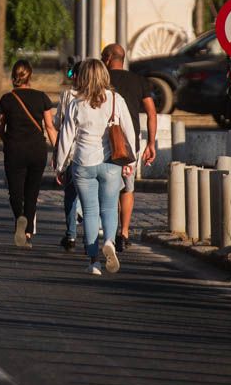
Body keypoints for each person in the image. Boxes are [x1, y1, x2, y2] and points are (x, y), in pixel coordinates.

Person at [53, 58, 136, 276]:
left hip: (83, 164)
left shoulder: (75, 104)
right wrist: (131, 162)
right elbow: (129, 132)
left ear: (83, 78)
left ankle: (94, 261)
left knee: (90, 211)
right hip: (110, 163)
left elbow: (66, 138)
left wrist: (60, 166)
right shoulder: (117, 100)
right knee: (109, 208)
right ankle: (109, 240)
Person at [101, 42, 160, 252]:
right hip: (129, 143)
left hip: (103, 142)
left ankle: (108, 229)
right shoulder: (139, 81)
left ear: (107, 59)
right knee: (127, 188)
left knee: (107, 185)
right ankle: (124, 233)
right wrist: (151, 143)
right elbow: (151, 113)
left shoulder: (101, 79)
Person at [0, 59, 56, 248]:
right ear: (30, 76)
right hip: (37, 150)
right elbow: (50, 127)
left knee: (15, 192)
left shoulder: (7, 99)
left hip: (15, 150)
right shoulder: (42, 97)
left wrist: (7, 140)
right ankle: (28, 232)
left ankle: (19, 217)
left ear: (13, 76)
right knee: (32, 193)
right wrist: (58, 152)